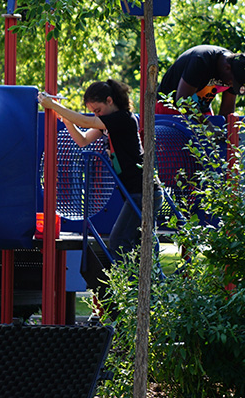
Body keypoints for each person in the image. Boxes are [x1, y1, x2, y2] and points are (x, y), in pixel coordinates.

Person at [39, 80, 158, 263]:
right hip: (135, 192)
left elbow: (86, 122)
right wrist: (66, 120)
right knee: (135, 241)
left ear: (110, 101)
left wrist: (54, 105)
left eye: (98, 110)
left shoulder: (123, 119)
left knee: (120, 240)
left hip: (143, 192)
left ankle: (131, 285)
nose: (96, 115)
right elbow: (83, 140)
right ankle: (141, 284)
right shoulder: (109, 124)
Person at [157, 44, 245, 116]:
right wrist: (207, 126)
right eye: (232, 82)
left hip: (200, 111)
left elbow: (227, 112)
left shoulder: (235, 72)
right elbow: (182, 101)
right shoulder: (201, 60)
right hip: (169, 109)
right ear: (227, 68)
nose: (231, 86)